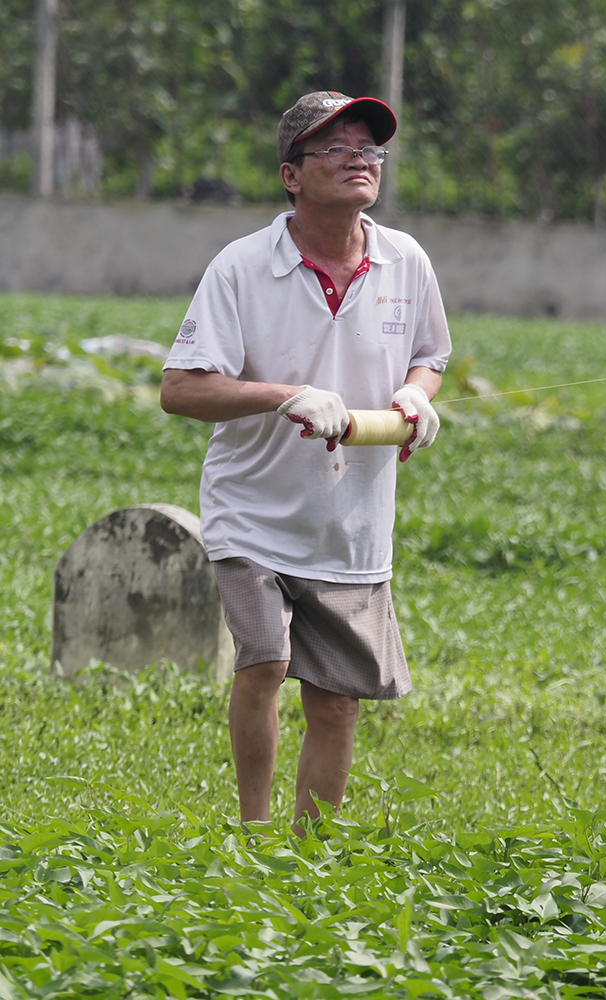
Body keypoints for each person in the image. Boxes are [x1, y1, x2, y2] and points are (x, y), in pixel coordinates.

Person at [160, 91, 451, 830]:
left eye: (370, 149)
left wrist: (416, 400)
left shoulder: (405, 261)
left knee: (336, 698)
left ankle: (309, 848)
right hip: (253, 510)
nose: (360, 159)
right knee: (264, 664)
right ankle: (255, 833)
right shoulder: (242, 267)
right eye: (338, 148)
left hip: (349, 521)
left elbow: (429, 357)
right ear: (292, 175)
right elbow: (181, 389)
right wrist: (284, 395)